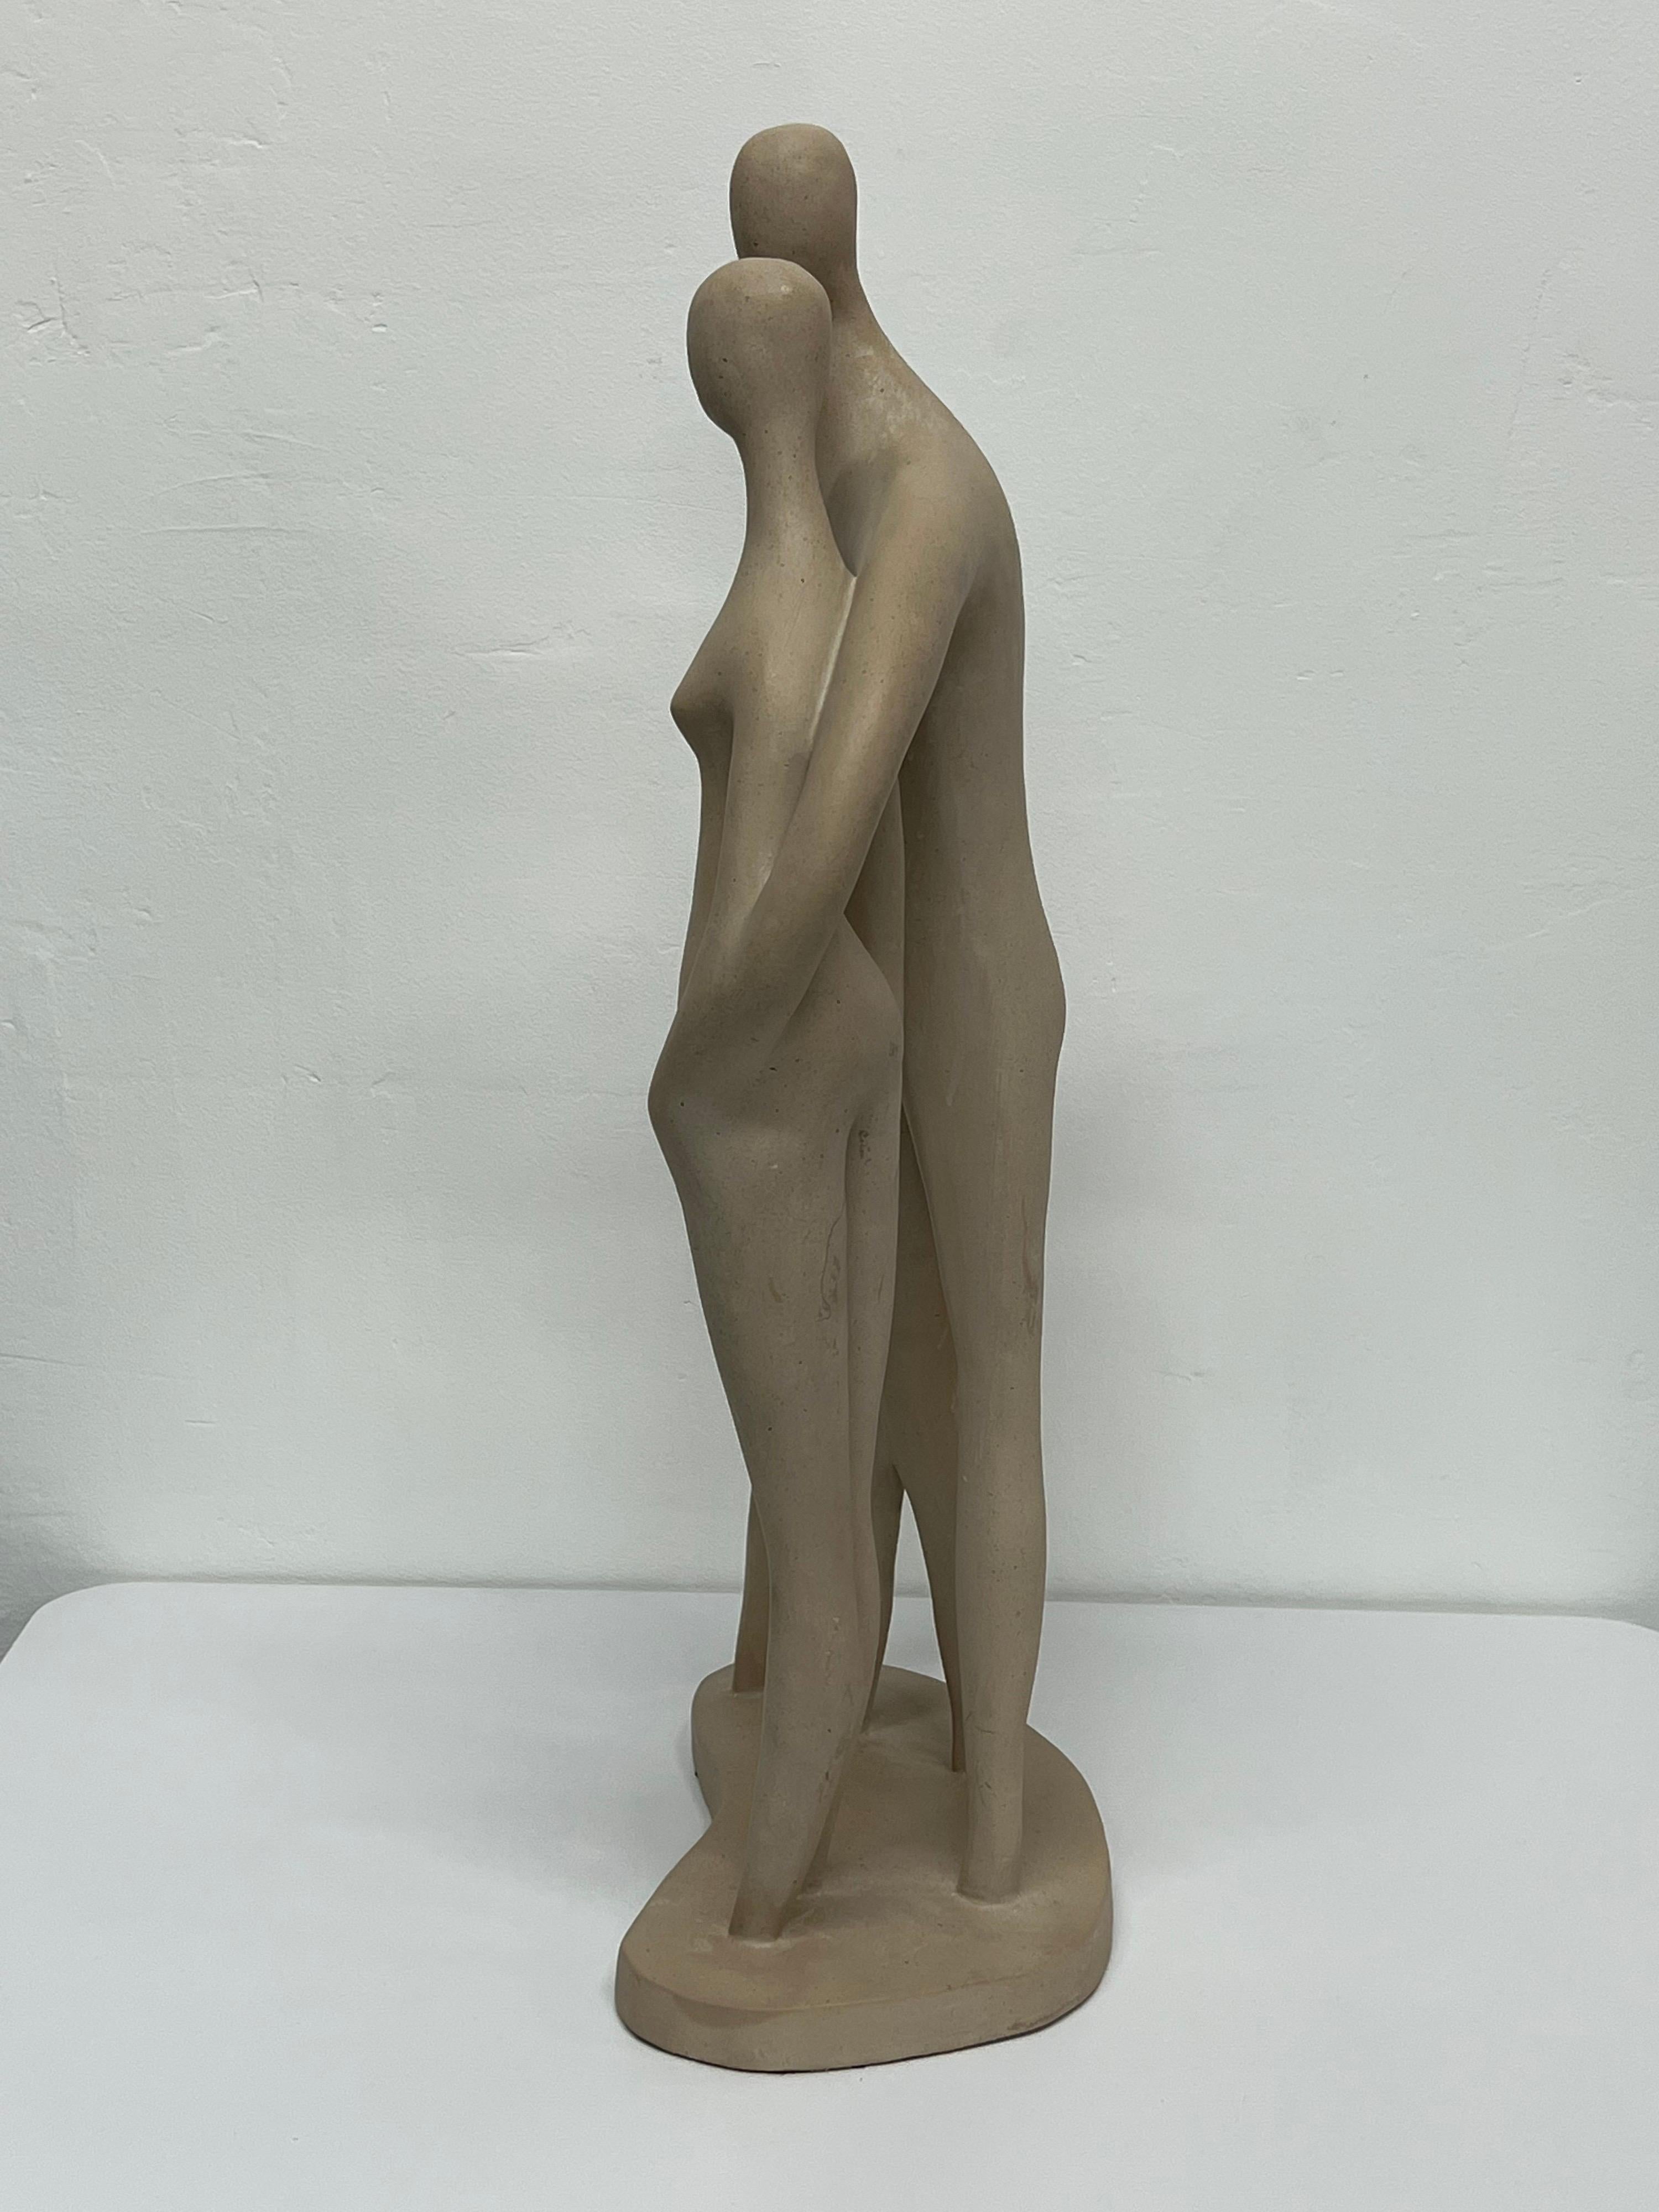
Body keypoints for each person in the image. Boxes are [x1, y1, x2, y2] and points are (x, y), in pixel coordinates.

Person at [701, 124, 1068, 1903]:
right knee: (855, 1365)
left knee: (983, 1372)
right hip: (887, 974)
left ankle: (995, 1844)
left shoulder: (922, 483)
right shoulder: (821, 459)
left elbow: (838, 805)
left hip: (975, 983)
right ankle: (800, 1712)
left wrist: (707, 1064)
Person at [649, 257, 904, 1942]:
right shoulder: (817, 579)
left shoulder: (790, 597)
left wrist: (707, 1058)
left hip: (767, 1072)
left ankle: (766, 1916)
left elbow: (796, 840)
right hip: (818, 1040)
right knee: (828, 1476)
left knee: (812, 1508)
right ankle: (784, 1861)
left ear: (722, 381)